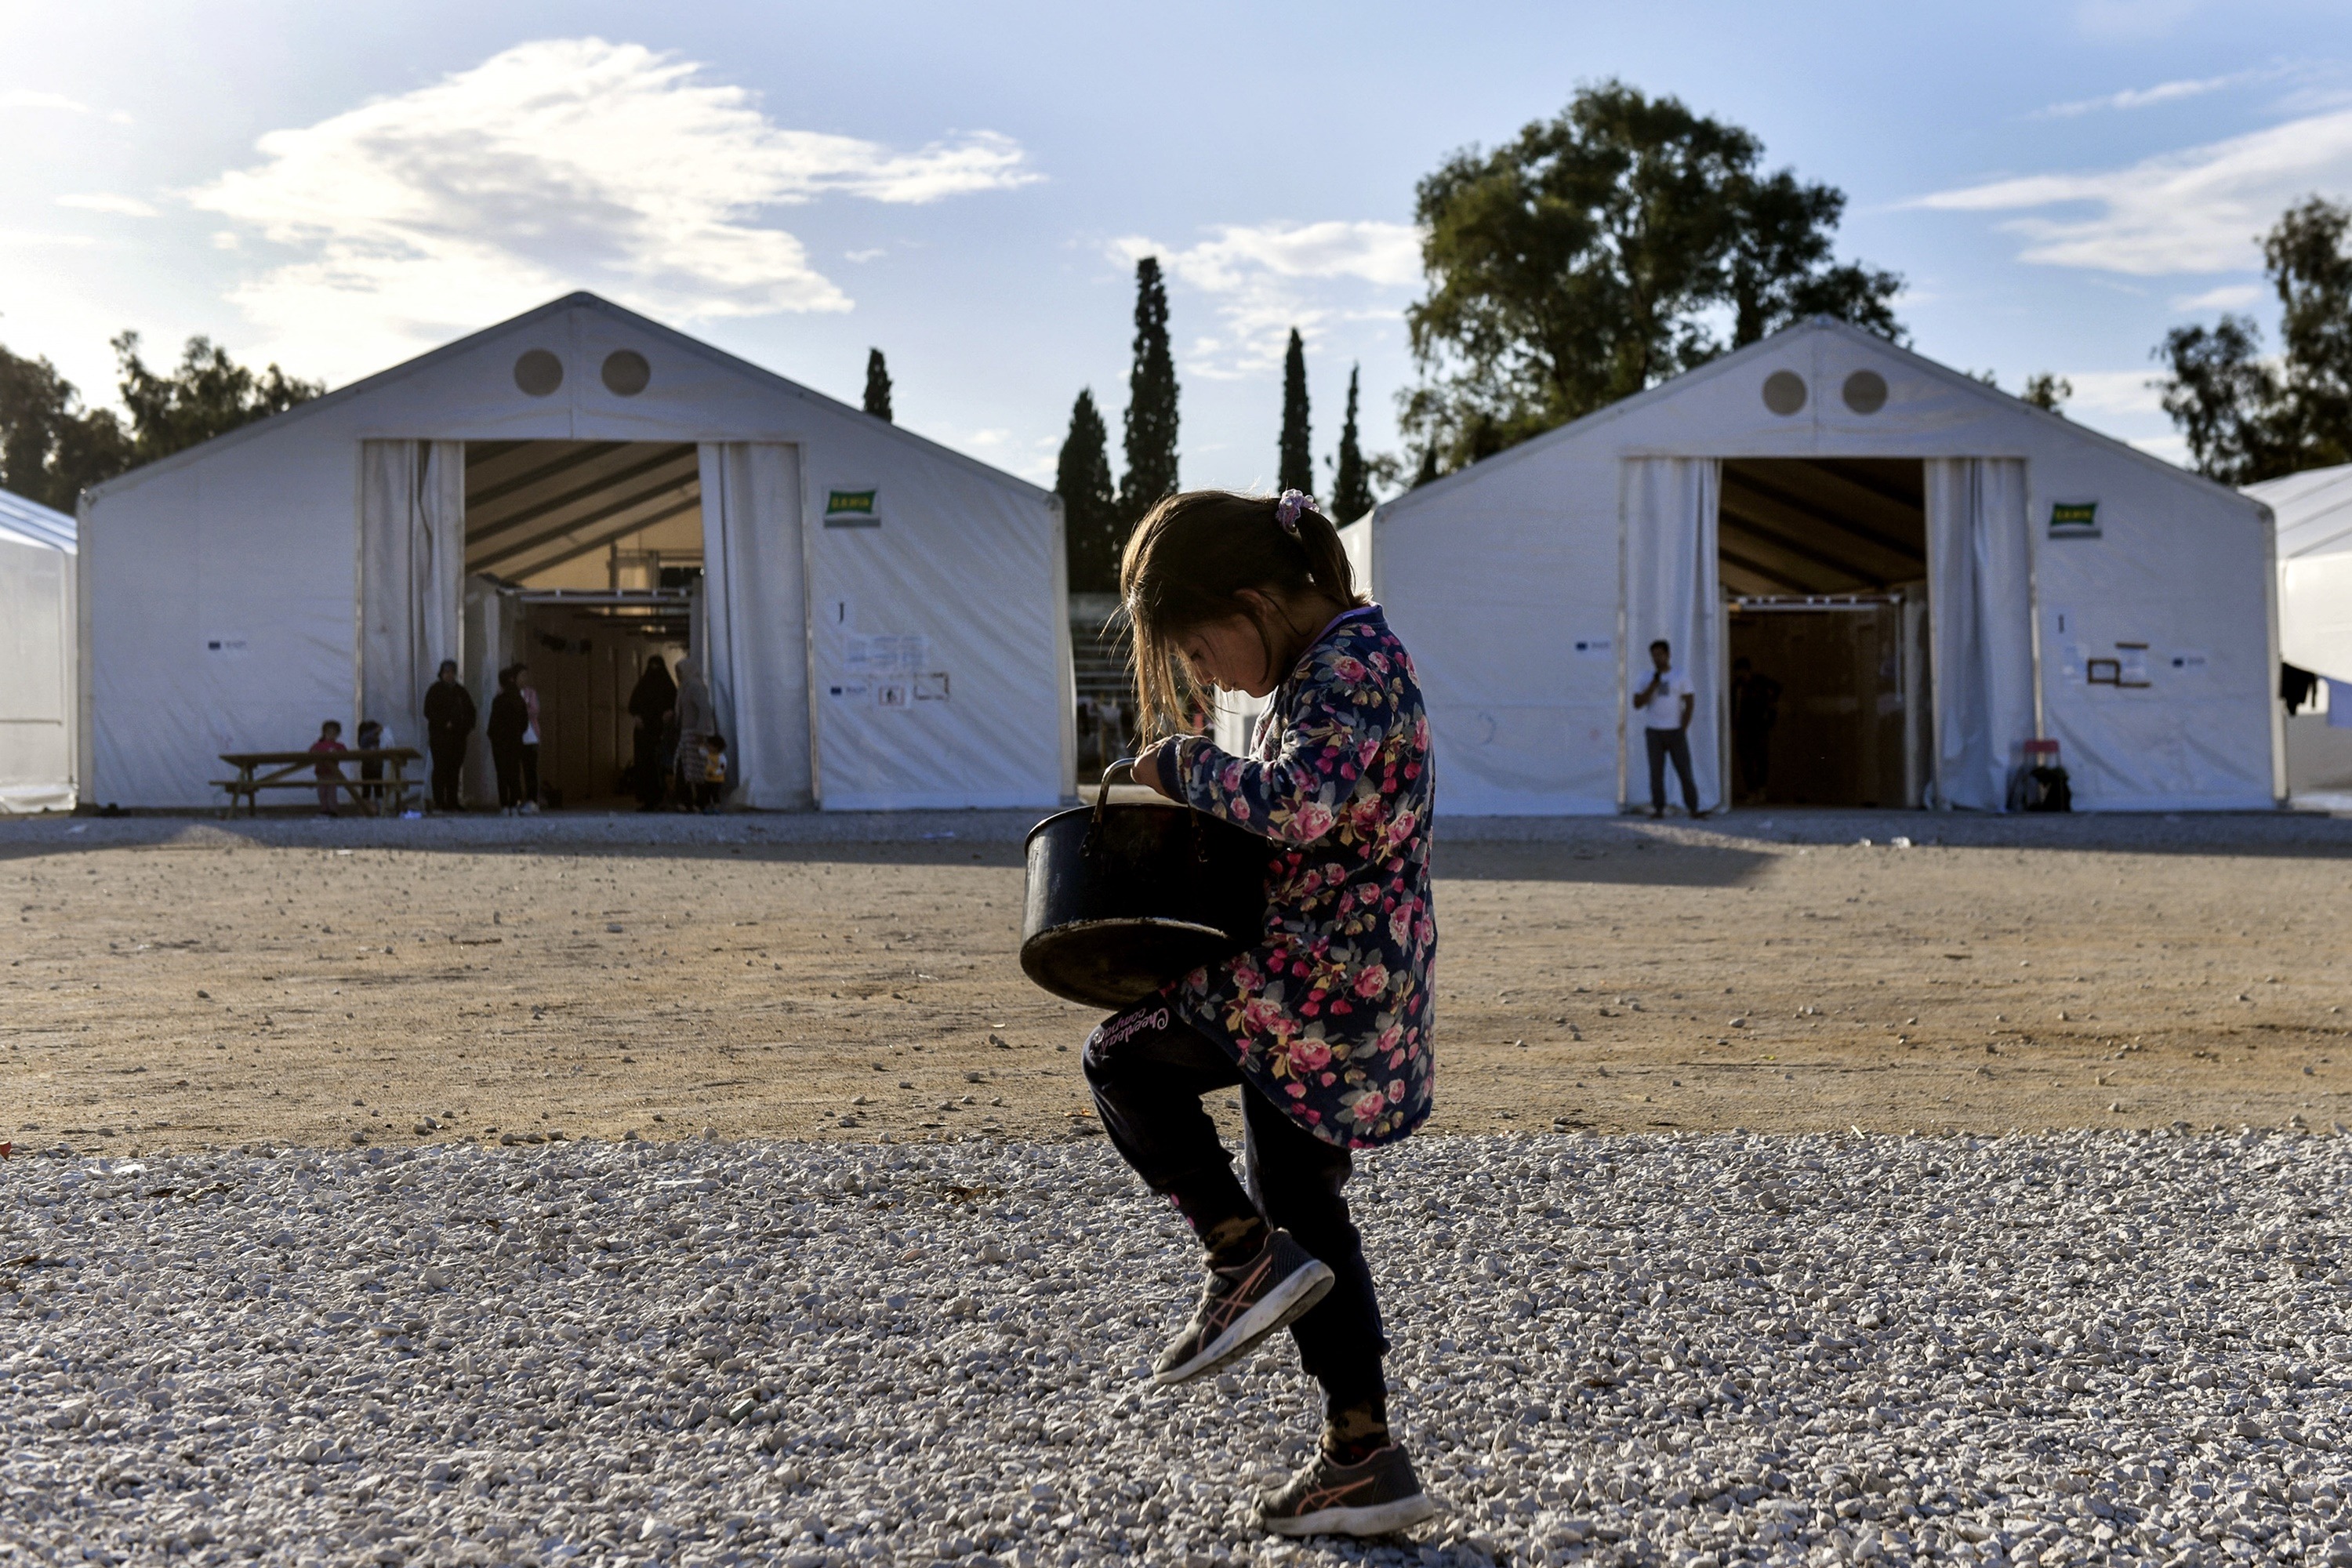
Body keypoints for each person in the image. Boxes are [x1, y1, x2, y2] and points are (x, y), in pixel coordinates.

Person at [1091, 487, 1439, 1538]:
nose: (1204, 676)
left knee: (1121, 1059)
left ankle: (1235, 1256)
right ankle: (1363, 1458)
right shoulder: (1351, 660)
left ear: (1251, 602)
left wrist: (1181, 764)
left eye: (1200, 652)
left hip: (1310, 987)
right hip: (1353, 983)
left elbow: (1298, 803)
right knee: (1309, 1213)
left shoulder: (1343, 670)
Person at [1633, 637, 1701, 819]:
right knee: (1656, 773)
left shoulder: (1680, 675)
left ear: (1668, 655)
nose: (1657, 659)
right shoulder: (1646, 677)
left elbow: (1690, 701)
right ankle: (1658, 808)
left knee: (1684, 771)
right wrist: (1652, 687)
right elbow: (1637, 703)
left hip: (1675, 731)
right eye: (1654, 656)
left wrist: (1683, 727)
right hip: (1654, 731)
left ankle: (1693, 807)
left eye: (1660, 655)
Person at [422, 660, 476, 813]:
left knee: (454, 769)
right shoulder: (435, 690)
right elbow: (429, 711)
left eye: (452, 672)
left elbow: (471, 712)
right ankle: (440, 801)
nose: (449, 675)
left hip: (458, 738)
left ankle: (452, 800)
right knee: (440, 769)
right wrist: (444, 723)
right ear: (441, 673)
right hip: (440, 737)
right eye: (446, 672)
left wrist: (463, 727)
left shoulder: (461, 692)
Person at [1729, 655, 1782, 802]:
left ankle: (1761, 790)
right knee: (1746, 760)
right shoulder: (1737, 687)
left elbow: (1777, 689)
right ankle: (1751, 790)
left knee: (1761, 759)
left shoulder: (1760, 682)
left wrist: (1770, 709)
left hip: (1759, 726)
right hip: (1743, 727)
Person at [627, 655, 676, 811]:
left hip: (661, 732)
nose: (654, 670)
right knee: (645, 765)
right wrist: (637, 717)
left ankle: (664, 799)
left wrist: (671, 714)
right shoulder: (642, 686)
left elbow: (675, 705)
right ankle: (648, 799)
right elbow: (633, 705)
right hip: (644, 734)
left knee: (662, 766)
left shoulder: (668, 687)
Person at [486, 666, 530, 815]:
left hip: (500, 743)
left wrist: (495, 737)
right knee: (515, 774)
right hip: (515, 741)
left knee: (502, 774)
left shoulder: (499, 700)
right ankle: (515, 803)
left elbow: (493, 723)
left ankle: (504, 805)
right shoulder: (519, 700)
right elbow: (524, 723)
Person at [672, 658, 713, 809]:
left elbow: (705, 710)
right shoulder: (684, 688)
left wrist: (701, 731)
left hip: (695, 735)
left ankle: (700, 801)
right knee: (683, 767)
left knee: (697, 769)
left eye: (680, 671)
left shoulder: (695, 687)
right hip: (686, 735)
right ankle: (686, 801)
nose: (678, 675)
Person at [516, 662, 543, 813]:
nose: (525, 678)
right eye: (522, 675)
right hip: (515, 738)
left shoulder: (530, 693)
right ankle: (517, 799)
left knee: (530, 770)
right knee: (514, 771)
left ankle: (532, 800)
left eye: (526, 675)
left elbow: (535, 710)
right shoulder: (508, 693)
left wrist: (522, 710)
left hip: (530, 736)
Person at [308, 720, 347, 817]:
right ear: (325, 733)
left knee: (331, 792)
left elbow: (345, 754)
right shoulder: (318, 745)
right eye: (329, 733)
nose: (332, 735)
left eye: (334, 733)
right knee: (322, 792)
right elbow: (310, 753)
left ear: (338, 734)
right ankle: (324, 809)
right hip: (321, 772)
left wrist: (338, 753)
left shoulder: (339, 746)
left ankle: (333, 810)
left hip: (332, 772)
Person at [354, 719, 387, 814]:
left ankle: (380, 810)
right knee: (366, 790)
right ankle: (365, 810)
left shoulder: (379, 741)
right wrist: (376, 731)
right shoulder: (364, 740)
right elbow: (365, 738)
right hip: (367, 768)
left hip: (377, 768)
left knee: (378, 789)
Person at [698, 732, 727, 811]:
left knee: (715, 794)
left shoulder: (721, 757)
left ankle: (717, 808)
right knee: (706, 793)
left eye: (710, 746)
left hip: (717, 780)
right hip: (708, 779)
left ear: (716, 747)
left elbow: (722, 768)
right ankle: (707, 807)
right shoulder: (709, 754)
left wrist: (714, 773)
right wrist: (701, 744)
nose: (708, 747)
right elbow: (701, 752)